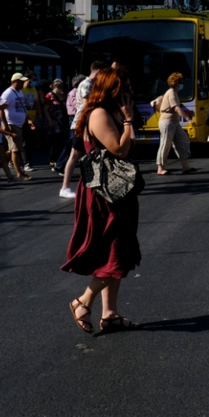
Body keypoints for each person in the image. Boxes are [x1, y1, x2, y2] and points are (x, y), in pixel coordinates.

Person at [64, 67, 142, 334]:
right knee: (115, 252)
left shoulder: (109, 113)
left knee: (117, 251)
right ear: (112, 90)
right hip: (105, 195)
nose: (129, 93)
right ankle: (83, 301)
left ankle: (110, 314)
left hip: (115, 192)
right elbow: (119, 149)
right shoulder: (98, 114)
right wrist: (128, 121)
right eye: (125, 88)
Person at [59, 63, 105, 199]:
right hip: (82, 124)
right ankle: (65, 187)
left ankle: (93, 184)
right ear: (98, 71)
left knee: (89, 154)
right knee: (75, 155)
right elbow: (86, 104)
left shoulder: (91, 84)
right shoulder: (86, 84)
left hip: (86, 124)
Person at [153, 72, 196, 175]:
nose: (182, 84)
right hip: (167, 122)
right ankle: (160, 168)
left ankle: (186, 167)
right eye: (181, 82)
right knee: (165, 144)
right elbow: (176, 108)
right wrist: (188, 119)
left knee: (183, 141)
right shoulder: (171, 93)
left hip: (174, 122)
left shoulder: (174, 92)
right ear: (177, 83)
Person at [2, 73, 33, 180]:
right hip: (11, 124)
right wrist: (5, 125)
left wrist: (28, 119)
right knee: (15, 150)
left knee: (13, 149)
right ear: (15, 82)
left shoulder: (19, 92)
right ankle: (19, 173)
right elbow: (1, 109)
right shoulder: (8, 94)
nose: (23, 83)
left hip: (19, 124)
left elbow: (23, 107)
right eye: (21, 81)